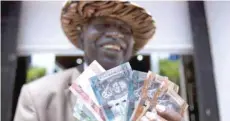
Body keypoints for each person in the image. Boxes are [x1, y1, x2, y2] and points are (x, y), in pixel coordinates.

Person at [14, 1, 182, 121]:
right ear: (81, 37)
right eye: (103, 25)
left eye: (124, 29)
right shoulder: (37, 96)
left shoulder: (162, 97)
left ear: (133, 45)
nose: (115, 34)